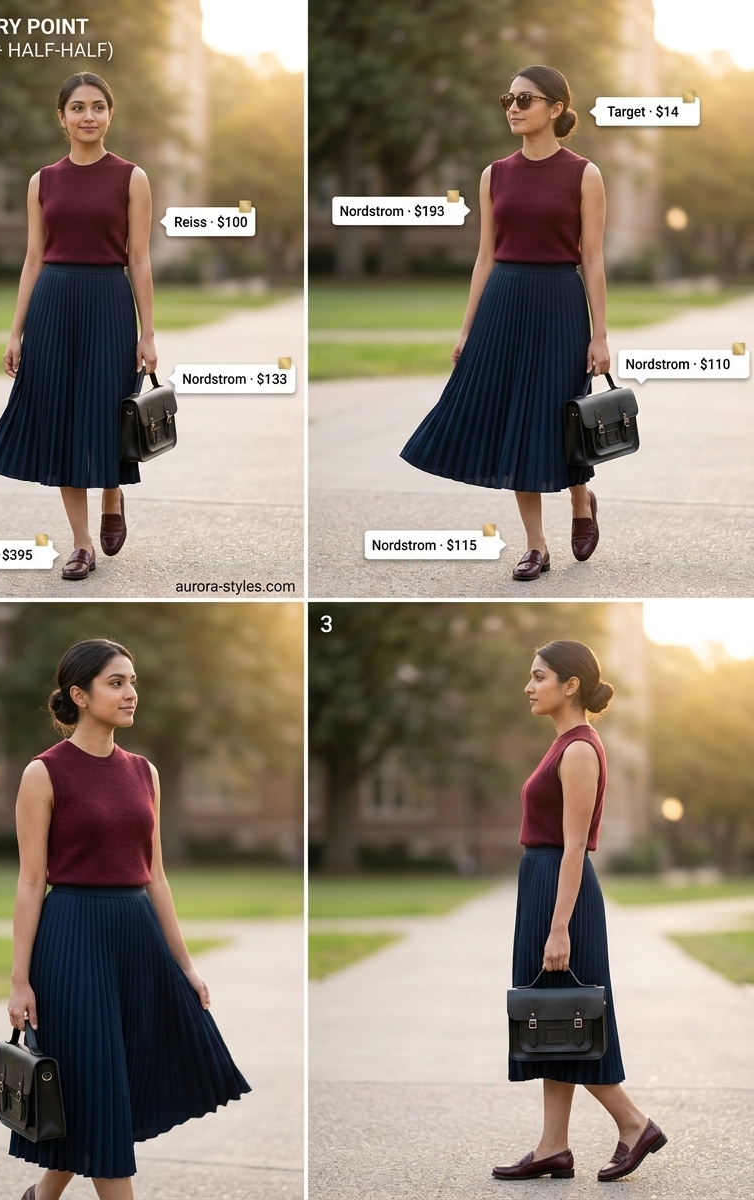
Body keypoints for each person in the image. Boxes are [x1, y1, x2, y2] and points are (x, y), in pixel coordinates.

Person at [7, 639, 250, 1200]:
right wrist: (20, 979)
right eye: (115, 683)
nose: (130, 693)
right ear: (79, 695)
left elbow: (156, 877)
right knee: (97, 1090)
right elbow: (30, 882)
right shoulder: (43, 773)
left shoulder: (145, 773)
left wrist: (185, 966)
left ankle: (39, 1199)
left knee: (103, 1093)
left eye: (132, 682)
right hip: (73, 941)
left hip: (137, 940)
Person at [401, 65, 610, 582]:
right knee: (518, 421)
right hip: (504, 302)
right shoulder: (493, 174)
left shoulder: (585, 174)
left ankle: (580, 500)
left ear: (556, 109)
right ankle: (536, 546)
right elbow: (484, 256)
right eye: (508, 100)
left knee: (560, 415)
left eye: (525, 99)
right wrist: (467, 330)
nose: (513, 108)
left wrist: (600, 335)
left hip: (560, 303)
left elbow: (593, 258)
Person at [492, 640, 666, 1182]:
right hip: (542, 884)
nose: (528, 686)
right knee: (550, 1015)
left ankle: (635, 1124)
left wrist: (559, 927)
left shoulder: (580, 751)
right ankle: (553, 1147)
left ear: (570, 685)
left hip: (560, 891)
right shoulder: (563, 744)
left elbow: (574, 848)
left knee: (572, 1015)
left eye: (539, 676)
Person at [0, 73, 158, 581]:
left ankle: (112, 493)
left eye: (98, 106)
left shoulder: (132, 178)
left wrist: (147, 333)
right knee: (62, 422)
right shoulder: (42, 181)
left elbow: (139, 259)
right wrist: (15, 332)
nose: (88, 116)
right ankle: (81, 544)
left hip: (108, 301)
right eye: (78, 107)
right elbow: (33, 259)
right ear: (61, 117)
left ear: (110, 114)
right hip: (53, 304)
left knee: (107, 412)